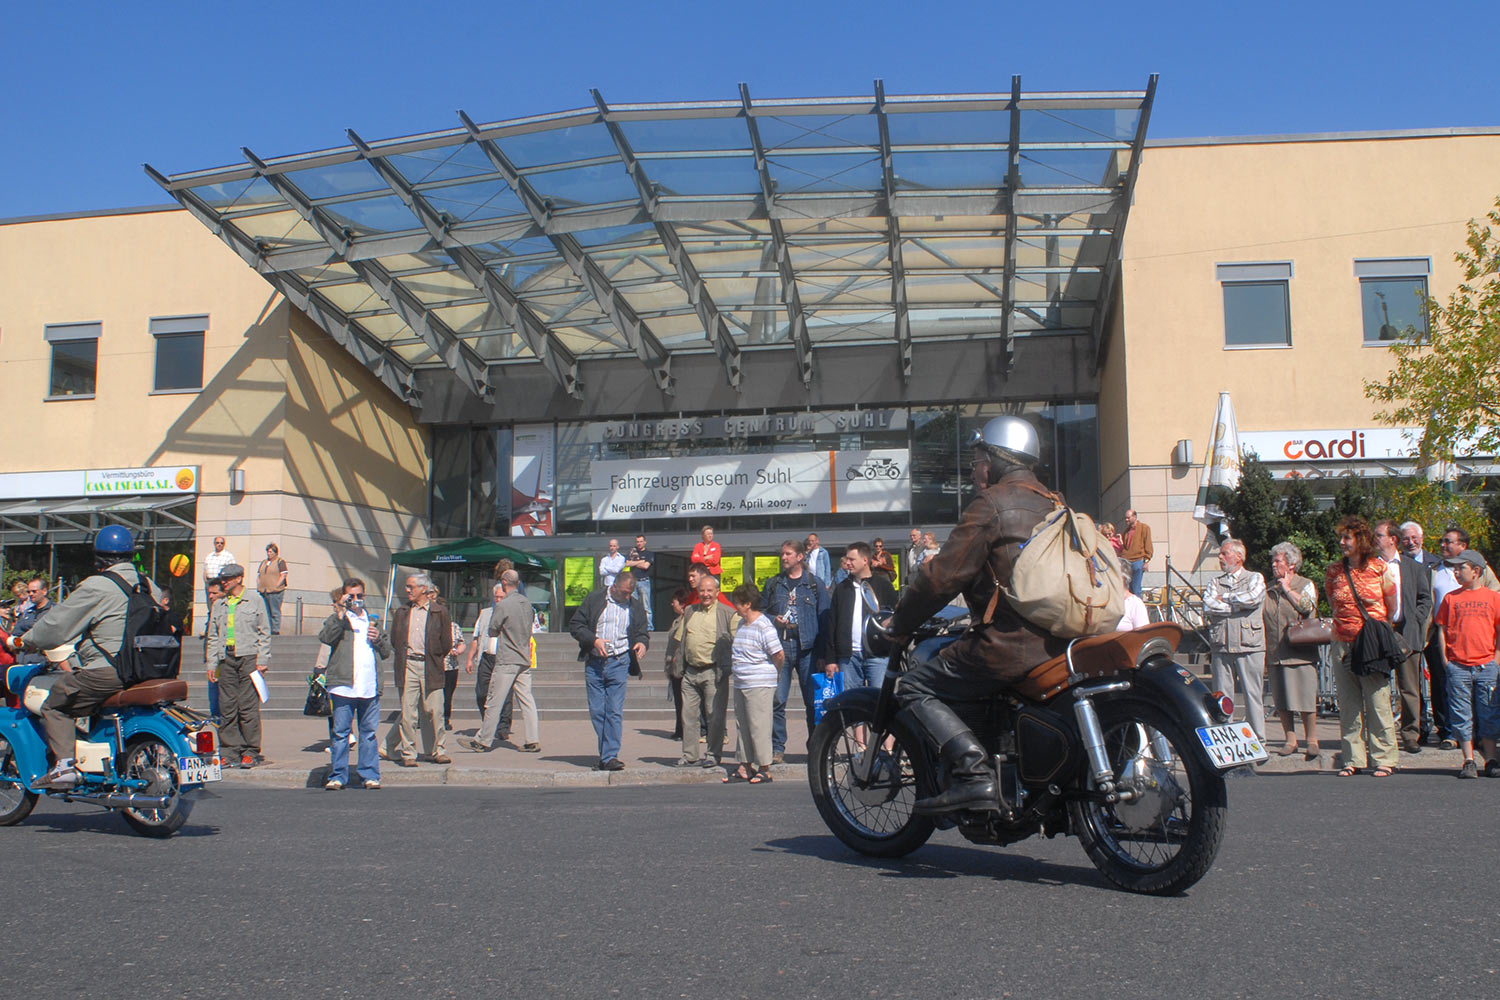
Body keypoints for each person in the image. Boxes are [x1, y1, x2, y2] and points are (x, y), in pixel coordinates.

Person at [885, 416, 1064, 815]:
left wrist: (900, 624)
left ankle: (973, 774)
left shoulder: (991, 504)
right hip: (1058, 641)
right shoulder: (1055, 502)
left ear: (998, 458)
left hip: (1010, 644)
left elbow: (942, 577)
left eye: (979, 457)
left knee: (914, 685)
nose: (974, 467)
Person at [6, 527, 164, 789]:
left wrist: (23, 640)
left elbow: (56, 626)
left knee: (55, 703)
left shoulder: (98, 586)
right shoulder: (149, 585)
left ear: (99, 559)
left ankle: (64, 767)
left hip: (109, 671)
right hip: (147, 670)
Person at [1325, 515, 1400, 778]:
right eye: (1341, 537)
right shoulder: (1334, 570)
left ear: (1361, 540)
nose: (1342, 542)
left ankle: (1384, 759)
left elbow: (1392, 606)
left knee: (1378, 701)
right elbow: (1333, 603)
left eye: (1347, 537)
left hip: (1370, 644)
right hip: (1341, 642)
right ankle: (1353, 759)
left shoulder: (1379, 568)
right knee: (1349, 704)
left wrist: (1377, 629)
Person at [568, 572, 648, 770]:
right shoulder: (595, 599)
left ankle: (609, 756)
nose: (627, 597)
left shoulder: (634, 606)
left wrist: (642, 643)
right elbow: (575, 625)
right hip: (595, 662)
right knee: (597, 711)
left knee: (613, 711)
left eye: (630, 593)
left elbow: (642, 631)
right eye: (624, 593)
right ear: (614, 587)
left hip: (619, 661)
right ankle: (606, 754)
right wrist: (593, 640)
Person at [319, 577, 392, 790]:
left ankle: (369, 774)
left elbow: (387, 652)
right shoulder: (340, 619)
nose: (356, 600)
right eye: (352, 596)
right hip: (343, 685)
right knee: (341, 733)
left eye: (360, 596)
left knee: (368, 733)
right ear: (344, 596)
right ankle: (338, 775)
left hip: (368, 686)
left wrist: (378, 638)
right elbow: (325, 637)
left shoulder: (372, 620)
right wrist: (341, 613)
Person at [762, 538, 830, 763]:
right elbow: (761, 614)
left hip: (808, 649)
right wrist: (774, 619)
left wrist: (822, 654)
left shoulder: (814, 583)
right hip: (781, 649)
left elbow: (825, 620)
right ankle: (777, 747)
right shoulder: (774, 584)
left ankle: (815, 746)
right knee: (777, 700)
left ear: (800, 557)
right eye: (783, 554)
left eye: (788, 554)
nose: (784, 557)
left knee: (812, 701)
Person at [1433, 549, 1500, 778]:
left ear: (1476, 570)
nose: (1456, 572)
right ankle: (1468, 760)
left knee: (1488, 712)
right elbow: (1441, 629)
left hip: (1486, 665)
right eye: (1454, 568)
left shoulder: (1493, 598)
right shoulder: (1451, 598)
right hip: (1459, 665)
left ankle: (1491, 760)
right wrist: (1445, 659)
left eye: (1461, 568)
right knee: (1461, 714)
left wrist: (1496, 659)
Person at [665, 574, 738, 768]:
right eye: (702, 591)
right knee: (688, 716)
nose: (705, 594)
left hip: (713, 672)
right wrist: (674, 663)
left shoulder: (727, 613)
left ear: (717, 592)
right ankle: (689, 755)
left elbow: (738, 639)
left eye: (709, 591)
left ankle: (713, 754)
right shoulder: (690, 611)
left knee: (715, 716)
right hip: (690, 672)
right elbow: (679, 639)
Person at [1374, 519, 1433, 753]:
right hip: (1380, 633)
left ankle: (1410, 734)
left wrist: (1416, 620)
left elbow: (1425, 599)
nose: (1374, 539)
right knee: (1378, 686)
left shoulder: (1413, 568)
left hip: (1407, 633)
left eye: (1379, 535)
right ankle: (1382, 734)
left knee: (1409, 688)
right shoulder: (1370, 568)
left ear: (1392, 539)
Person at [466, 570, 540, 753]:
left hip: (507, 658)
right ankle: (532, 739)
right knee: (527, 700)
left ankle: (483, 740)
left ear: (505, 583)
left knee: (494, 700)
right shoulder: (527, 604)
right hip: (524, 657)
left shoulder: (504, 605)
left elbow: (492, 629)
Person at [207, 562, 273, 768]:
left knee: (247, 707)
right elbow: (213, 636)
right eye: (221, 580)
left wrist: (262, 660)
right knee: (227, 707)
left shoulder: (254, 600)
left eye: (227, 579)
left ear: (239, 579)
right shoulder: (219, 604)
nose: (223, 583)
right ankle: (228, 751)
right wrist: (212, 663)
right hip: (226, 659)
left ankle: (250, 750)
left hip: (248, 658)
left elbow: (264, 631)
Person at [1204, 538, 1268, 749]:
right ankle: (1226, 742)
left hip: (1249, 645)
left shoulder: (1255, 577)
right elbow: (1209, 604)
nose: (1220, 558)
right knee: (1222, 697)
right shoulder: (1214, 582)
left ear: (1239, 557)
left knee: (1252, 695)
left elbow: (1253, 598)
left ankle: (1257, 741)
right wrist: (1236, 605)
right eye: (1220, 554)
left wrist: (1226, 599)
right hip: (1221, 645)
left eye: (1225, 553)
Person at [388, 571, 454, 767]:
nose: (407, 590)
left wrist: (433, 656)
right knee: (408, 713)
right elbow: (395, 639)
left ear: (423, 589)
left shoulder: (439, 612)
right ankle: (408, 753)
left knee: (435, 711)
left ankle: (438, 750)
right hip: (408, 665)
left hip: (430, 666)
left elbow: (446, 642)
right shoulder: (402, 612)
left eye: (411, 587)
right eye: (407, 587)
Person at [1264, 541, 1321, 760]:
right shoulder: (1268, 588)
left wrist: (1287, 589)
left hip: (1300, 652)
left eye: (1277, 561)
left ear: (1291, 564)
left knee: (1306, 699)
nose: (1273, 564)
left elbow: (1307, 606)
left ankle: (1312, 740)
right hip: (1276, 651)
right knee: (1282, 700)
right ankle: (1290, 739)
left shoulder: (1304, 583)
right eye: (1273, 561)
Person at [724, 582, 783, 785]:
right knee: (743, 725)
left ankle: (764, 767)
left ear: (748, 604)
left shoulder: (764, 625)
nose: (735, 607)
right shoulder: (742, 624)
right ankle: (745, 765)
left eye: (738, 603)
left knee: (759, 725)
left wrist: (775, 673)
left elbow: (778, 654)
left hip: (759, 683)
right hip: (741, 682)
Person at [822, 542, 897, 691]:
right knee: (851, 703)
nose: (847, 563)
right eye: (847, 559)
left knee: (879, 701)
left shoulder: (883, 586)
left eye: (852, 559)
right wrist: (830, 659)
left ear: (865, 560)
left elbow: (895, 618)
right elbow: (832, 624)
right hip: (848, 657)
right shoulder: (842, 588)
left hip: (878, 655)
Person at [1400, 521, 1447, 745]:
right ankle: (1418, 729)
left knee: (1440, 678)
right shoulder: (1396, 565)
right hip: (1409, 631)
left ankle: (1445, 728)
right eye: (1406, 539)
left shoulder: (1437, 563)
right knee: (1412, 684)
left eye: (1414, 538)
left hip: (1435, 630)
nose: (1411, 542)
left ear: (1422, 538)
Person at [431, 585, 466, 732]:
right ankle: (430, 719)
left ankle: (445, 719)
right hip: (434, 665)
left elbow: (462, 643)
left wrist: (458, 650)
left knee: (447, 695)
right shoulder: (431, 625)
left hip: (450, 666)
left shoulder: (454, 627)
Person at [662, 587, 693, 741]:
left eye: (674, 602)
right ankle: (679, 729)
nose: (671, 605)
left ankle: (684, 730)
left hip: (682, 665)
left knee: (684, 701)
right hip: (674, 665)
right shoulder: (676, 621)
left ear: (682, 604)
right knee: (678, 700)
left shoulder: (687, 621)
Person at [12, 577, 54, 665]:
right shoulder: (27, 613)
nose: (30, 594)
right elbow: (16, 633)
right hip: (24, 661)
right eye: (28, 592)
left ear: (44, 591)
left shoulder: (55, 611)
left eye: (34, 591)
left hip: (46, 662)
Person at [256, 542, 288, 635]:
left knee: (274, 611)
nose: (269, 554)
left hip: (275, 591)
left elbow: (283, 574)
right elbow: (259, 574)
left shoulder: (280, 561)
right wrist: (258, 584)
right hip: (264, 590)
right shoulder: (264, 562)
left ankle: (275, 629)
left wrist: (276, 585)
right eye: (268, 552)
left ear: (275, 553)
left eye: (271, 552)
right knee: (266, 611)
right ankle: (267, 629)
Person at [1119, 509, 1153, 597]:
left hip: (1138, 561)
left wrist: (1146, 561)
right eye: (1125, 518)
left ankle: (1138, 608)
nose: (1126, 520)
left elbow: (1148, 546)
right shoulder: (1126, 532)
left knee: (1136, 588)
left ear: (1134, 517)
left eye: (1128, 518)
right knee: (1127, 589)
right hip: (1127, 562)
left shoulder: (1144, 528)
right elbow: (1125, 548)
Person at [625, 534, 655, 630]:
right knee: (633, 605)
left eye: (641, 541)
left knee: (646, 606)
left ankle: (649, 627)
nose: (639, 543)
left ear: (644, 542)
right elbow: (626, 563)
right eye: (637, 541)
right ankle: (635, 626)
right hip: (633, 582)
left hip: (644, 582)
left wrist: (634, 563)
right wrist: (640, 562)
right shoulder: (632, 552)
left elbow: (646, 566)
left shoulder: (649, 553)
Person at [203, 535, 236, 605]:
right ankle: (211, 615)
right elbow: (205, 570)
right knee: (210, 603)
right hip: (210, 582)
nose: (219, 545)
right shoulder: (209, 556)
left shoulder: (228, 556)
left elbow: (232, 571)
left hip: (220, 582)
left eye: (221, 543)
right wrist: (206, 582)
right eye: (217, 543)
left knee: (221, 603)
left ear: (224, 544)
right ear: (214, 544)